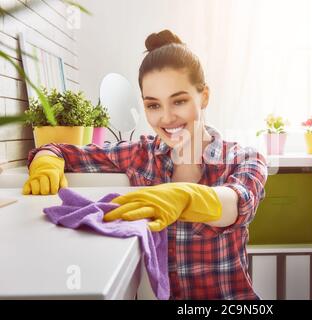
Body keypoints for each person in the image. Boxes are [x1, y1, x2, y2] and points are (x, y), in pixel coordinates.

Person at [23, 29, 268, 300]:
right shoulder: (141, 155)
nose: (166, 117)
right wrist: (46, 160)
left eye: (179, 101)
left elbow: (237, 204)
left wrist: (186, 198)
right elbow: (61, 150)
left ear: (204, 96)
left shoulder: (243, 159)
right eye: (153, 105)